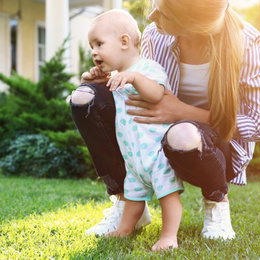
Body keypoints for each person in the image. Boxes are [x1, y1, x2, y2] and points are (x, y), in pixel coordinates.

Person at [69, 0, 260, 244]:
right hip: (154, 137)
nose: (152, 17)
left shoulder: (247, 41)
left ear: (192, 21)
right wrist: (105, 80)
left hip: (213, 143)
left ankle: (216, 201)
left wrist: (181, 112)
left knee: (183, 133)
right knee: (85, 98)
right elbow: (140, 80)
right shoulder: (157, 35)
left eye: (163, 13)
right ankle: (129, 202)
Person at [79, 9, 184, 252]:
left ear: (124, 41)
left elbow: (157, 94)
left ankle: (169, 236)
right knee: (134, 196)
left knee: (168, 196)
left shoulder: (147, 68)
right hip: (133, 157)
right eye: (91, 46)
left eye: (99, 44)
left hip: (158, 154)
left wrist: (134, 78)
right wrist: (91, 81)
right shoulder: (116, 77)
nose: (93, 51)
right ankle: (124, 229)